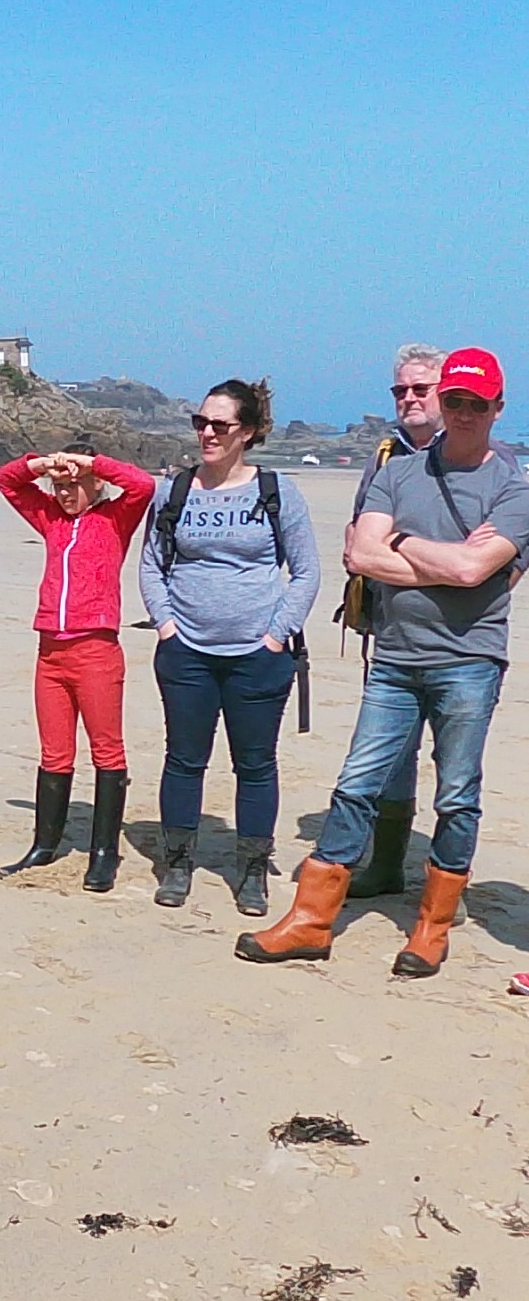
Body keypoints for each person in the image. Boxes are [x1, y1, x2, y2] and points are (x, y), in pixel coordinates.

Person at [239, 348, 529, 975]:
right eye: (454, 401)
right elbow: (361, 556)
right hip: (395, 657)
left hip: (468, 660)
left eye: (478, 404)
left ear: (498, 409)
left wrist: (403, 545)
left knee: (456, 795)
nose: (464, 412)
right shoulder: (399, 472)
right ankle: (311, 921)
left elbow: (478, 570)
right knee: (355, 785)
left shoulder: (513, 485)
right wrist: (438, 560)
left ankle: (431, 927)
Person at [139, 378, 320, 916]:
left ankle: (251, 870)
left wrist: (275, 636)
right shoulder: (173, 491)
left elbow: (307, 572)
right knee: (184, 759)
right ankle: (177, 862)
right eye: (201, 423)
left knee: (257, 764)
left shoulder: (277, 491)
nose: (208, 433)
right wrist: (166, 626)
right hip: (186, 651)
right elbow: (152, 564)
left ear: (250, 431)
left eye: (221, 425)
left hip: (258, 656)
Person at [0, 441, 155, 890]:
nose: (65, 493)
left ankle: (104, 852)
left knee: (107, 751)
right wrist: (43, 464)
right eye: (58, 486)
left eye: (74, 485)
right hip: (50, 651)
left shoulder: (114, 519)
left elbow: (142, 485)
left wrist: (93, 464)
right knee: (54, 753)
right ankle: (45, 844)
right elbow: (7, 480)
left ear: (96, 483)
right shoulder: (51, 520)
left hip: (96, 649)